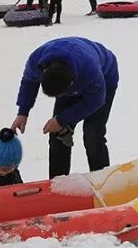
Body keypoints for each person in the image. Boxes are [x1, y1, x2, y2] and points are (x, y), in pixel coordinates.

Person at [12, 37, 119, 178]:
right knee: (58, 134)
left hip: (105, 77)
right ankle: (59, 182)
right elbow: (29, 81)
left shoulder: (90, 70)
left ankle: (102, 180)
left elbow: (96, 101)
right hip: (70, 71)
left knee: (93, 134)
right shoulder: (37, 61)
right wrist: (22, 112)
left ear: (71, 83)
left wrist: (61, 120)